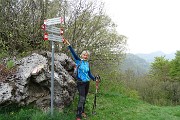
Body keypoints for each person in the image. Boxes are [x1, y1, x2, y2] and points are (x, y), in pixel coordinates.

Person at [63, 38, 99, 120]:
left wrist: (94, 79)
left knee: (84, 98)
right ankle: (78, 115)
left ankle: (82, 111)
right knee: (82, 98)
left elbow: (89, 74)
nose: (85, 56)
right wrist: (68, 44)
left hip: (87, 83)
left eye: (87, 55)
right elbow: (73, 53)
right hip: (80, 83)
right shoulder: (78, 61)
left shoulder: (87, 63)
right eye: (84, 55)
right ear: (81, 55)